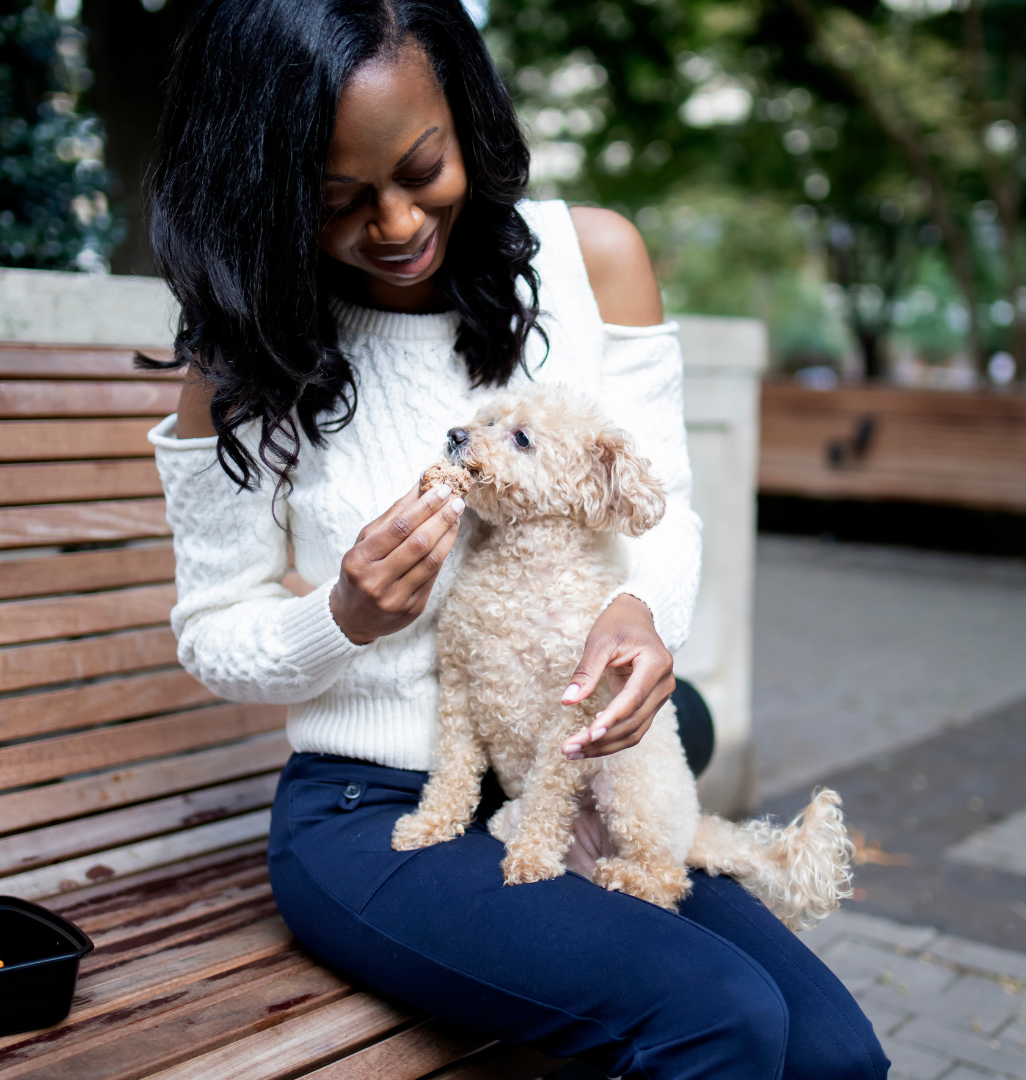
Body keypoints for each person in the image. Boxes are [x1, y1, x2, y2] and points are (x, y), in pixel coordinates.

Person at [146, 1, 889, 1076]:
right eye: (338, 201)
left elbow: (663, 507)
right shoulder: (246, 359)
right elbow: (213, 631)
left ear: (466, 114)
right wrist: (339, 618)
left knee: (835, 1057)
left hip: (569, 777)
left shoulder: (592, 261)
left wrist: (639, 612)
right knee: (721, 1016)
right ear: (263, 197)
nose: (396, 225)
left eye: (421, 167)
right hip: (373, 811)